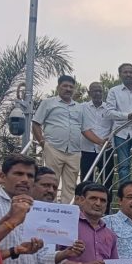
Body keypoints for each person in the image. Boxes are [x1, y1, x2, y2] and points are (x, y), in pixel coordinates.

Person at [32, 75, 83, 204]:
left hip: (74, 150)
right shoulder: (48, 103)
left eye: (71, 87)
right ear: (58, 87)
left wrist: (100, 141)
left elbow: (85, 128)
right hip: (54, 148)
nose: (68, 89)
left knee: (71, 184)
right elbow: (36, 123)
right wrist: (42, 143)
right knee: (51, 181)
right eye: (65, 86)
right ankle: (50, 208)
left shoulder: (79, 107)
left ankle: (66, 210)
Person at [80, 82, 115, 196]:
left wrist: (109, 139)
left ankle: (107, 206)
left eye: (100, 91)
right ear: (89, 92)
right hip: (87, 150)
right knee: (86, 180)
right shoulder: (82, 107)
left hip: (106, 149)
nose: (98, 93)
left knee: (107, 181)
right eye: (95, 91)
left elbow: (115, 126)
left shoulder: (109, 108)